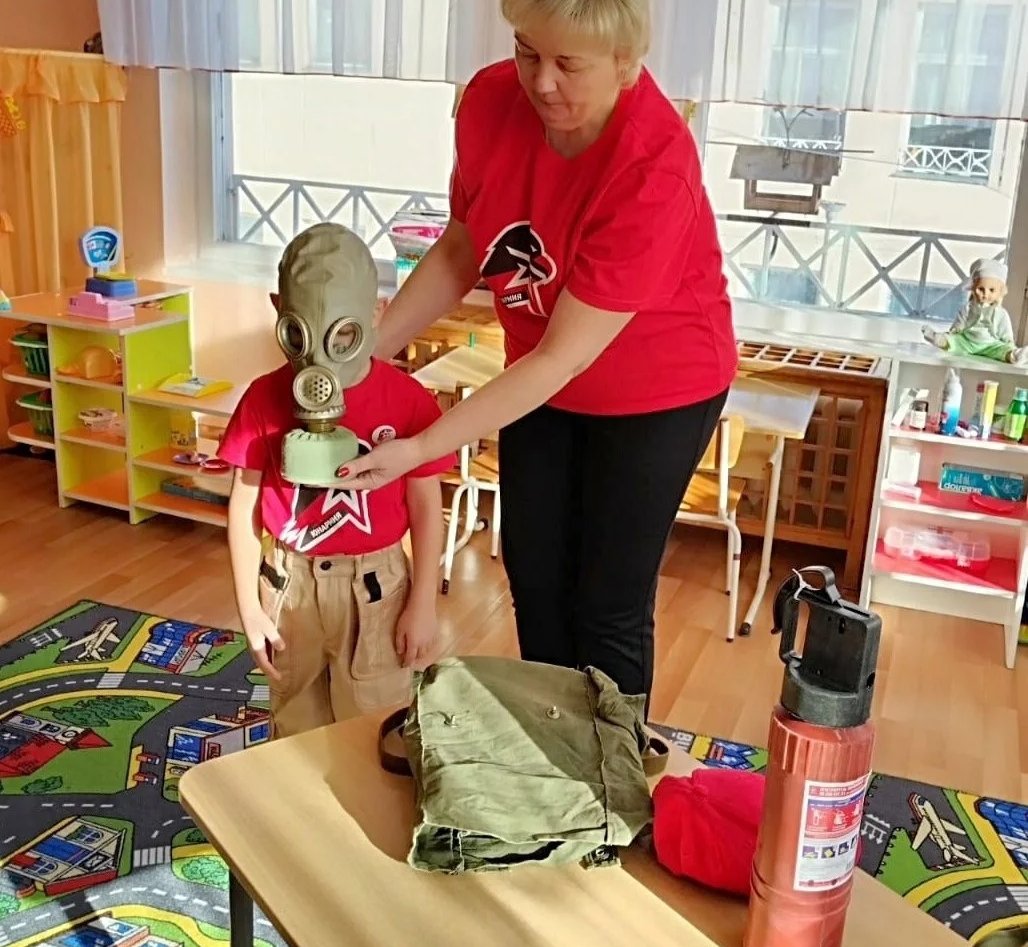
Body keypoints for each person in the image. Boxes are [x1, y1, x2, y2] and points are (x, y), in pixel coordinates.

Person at [335, 0, 737, 704]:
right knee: (534, 573)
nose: (541, 81)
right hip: (541, 376)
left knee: (607, 599)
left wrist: (422, 446)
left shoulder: (654, 162)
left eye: (567, 64)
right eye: (528, 51)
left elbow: (562, 357)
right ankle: (549, 750)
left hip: (660, 386)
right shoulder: (490, 100)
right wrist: (365, 356)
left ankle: (610, 786)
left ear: (626, 64)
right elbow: (464, 246)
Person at [219, 223, 453, 739]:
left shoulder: (407, 401)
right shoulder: (262, 398)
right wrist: (250, 609)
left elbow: (423, 507)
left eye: (344, 335)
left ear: (377, 313)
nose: (323, 357)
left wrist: (422, 604)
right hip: (289, 582)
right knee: (294, 719)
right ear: (279, 310)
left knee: (374, 723)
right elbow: (243, 508)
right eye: (301, 333)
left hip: (376, 589)